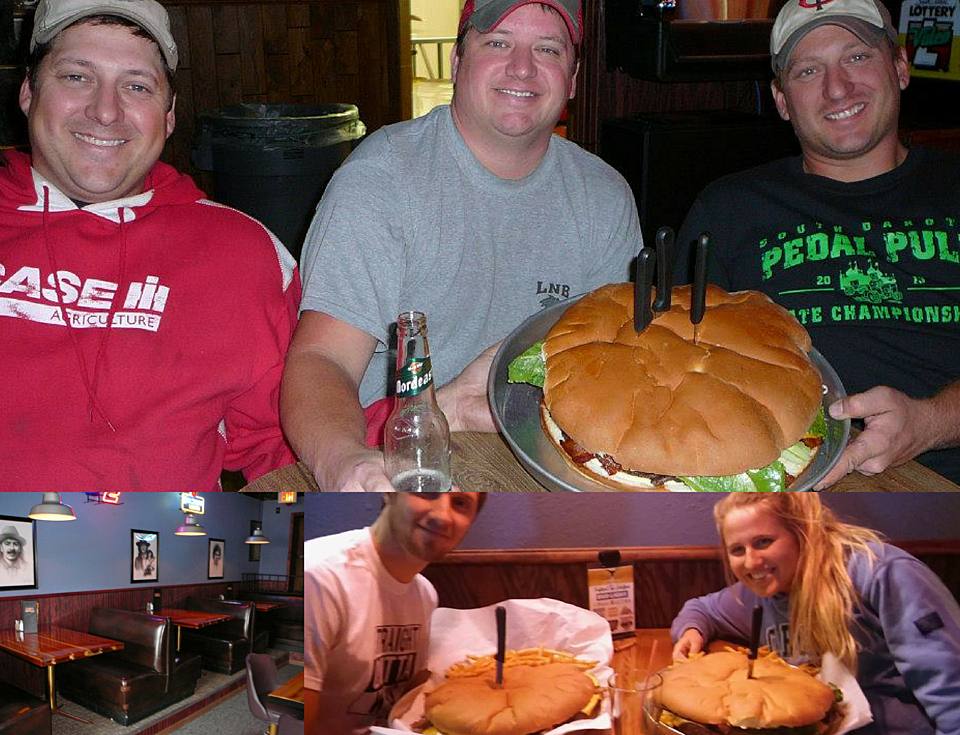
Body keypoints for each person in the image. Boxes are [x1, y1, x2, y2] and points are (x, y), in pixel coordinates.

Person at [281, 0, 642, 492]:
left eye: (548, 49)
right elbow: (322, 359)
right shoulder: (380, 178)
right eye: (498, 42)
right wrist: (346, 463)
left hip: (550, 459)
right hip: (401, 461)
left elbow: (614, 365)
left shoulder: (605, 196)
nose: (523, 66)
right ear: (456, 62)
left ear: (573, 79)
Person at [0, 0, 301, 490]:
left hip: (157, 557)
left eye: (136, 86)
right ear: (28, 91)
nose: (105, 111)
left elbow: (288, 445)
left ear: (169, 115)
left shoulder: (242, 253)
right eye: (76, 77)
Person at [673, 0, 960, 488]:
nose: (837, 88)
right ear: (782, 101)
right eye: (809, 70)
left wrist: (929, 423)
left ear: (900, 66)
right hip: (782, 484)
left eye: (856, 57)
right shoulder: (729, 208)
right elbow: (676, 363)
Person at [671, 494, 960, 735]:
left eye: (763, 542)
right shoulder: (755, 595)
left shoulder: (881, 573)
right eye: (737, 549)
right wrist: (691, 631)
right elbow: (701, 609)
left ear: (801, 533)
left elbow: (951, 695)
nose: (751, 561)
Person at [302, 491, 485, 735]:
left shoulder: (425, 594)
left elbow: (412, 692)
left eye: (460, 503)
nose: (443, 515)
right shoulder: (319, 577)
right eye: (426, 491)